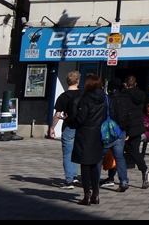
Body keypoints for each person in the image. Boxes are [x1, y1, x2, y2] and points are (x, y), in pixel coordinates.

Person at [68, 73, 107, 206]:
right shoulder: (104, 98)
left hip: (85, 134)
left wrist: (69, 119)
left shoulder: (85, 99)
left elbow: (81, 119)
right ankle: (96, 193)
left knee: (85, 165)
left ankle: (87, 196)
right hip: (98, 133)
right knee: (94, 163)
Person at [50, 71, 82, 189]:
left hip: (69, 126)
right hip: (81, 127)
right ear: (78, 81)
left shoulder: (63, 96)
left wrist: (52, 127)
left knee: (68, 153)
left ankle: (69, 180)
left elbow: (57, 114)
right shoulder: (83, 95)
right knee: (76, 152)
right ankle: (75, 176)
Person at [120, 76, 149, 189]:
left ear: (126, 84)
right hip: (137, 126)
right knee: (134, 151)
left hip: (128, 126)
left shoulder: (124, 95)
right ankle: (144, 170)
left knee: (118, 152)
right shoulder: (140, 94)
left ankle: (113, 177)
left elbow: (125, 113)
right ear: (136, 84)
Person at [101, 79, 130, 192]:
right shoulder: (126, 99)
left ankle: (94, 180)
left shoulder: (108, 99)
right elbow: (130, 116)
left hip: (109, 131)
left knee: (99, 156)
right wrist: (128, 131)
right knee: (119, 157)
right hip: (121, 131)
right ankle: (124, 180)